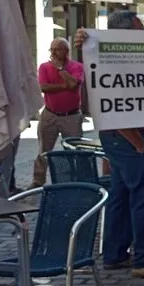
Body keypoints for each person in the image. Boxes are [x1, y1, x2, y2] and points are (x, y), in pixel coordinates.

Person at [73, 12, 144, 279]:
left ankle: (115, 254)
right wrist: (138, 142)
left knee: (122, 193)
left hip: (120, 135)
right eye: (140, 30)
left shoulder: (112, 58)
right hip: (127, 135)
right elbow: (110, 103)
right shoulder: (111, 60)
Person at [31, 38, 85, 188]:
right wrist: (65, 85)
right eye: (51, 49)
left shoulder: (77, 66)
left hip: (72, 116)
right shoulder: (44, 67)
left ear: (66, 51)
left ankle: (73, 181)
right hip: (50, 114)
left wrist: (61, 70)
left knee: (73, 150)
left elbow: (74, 84)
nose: (53, 53)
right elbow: (44, 87)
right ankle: (37, 181)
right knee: (43, 151)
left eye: (57, 49)